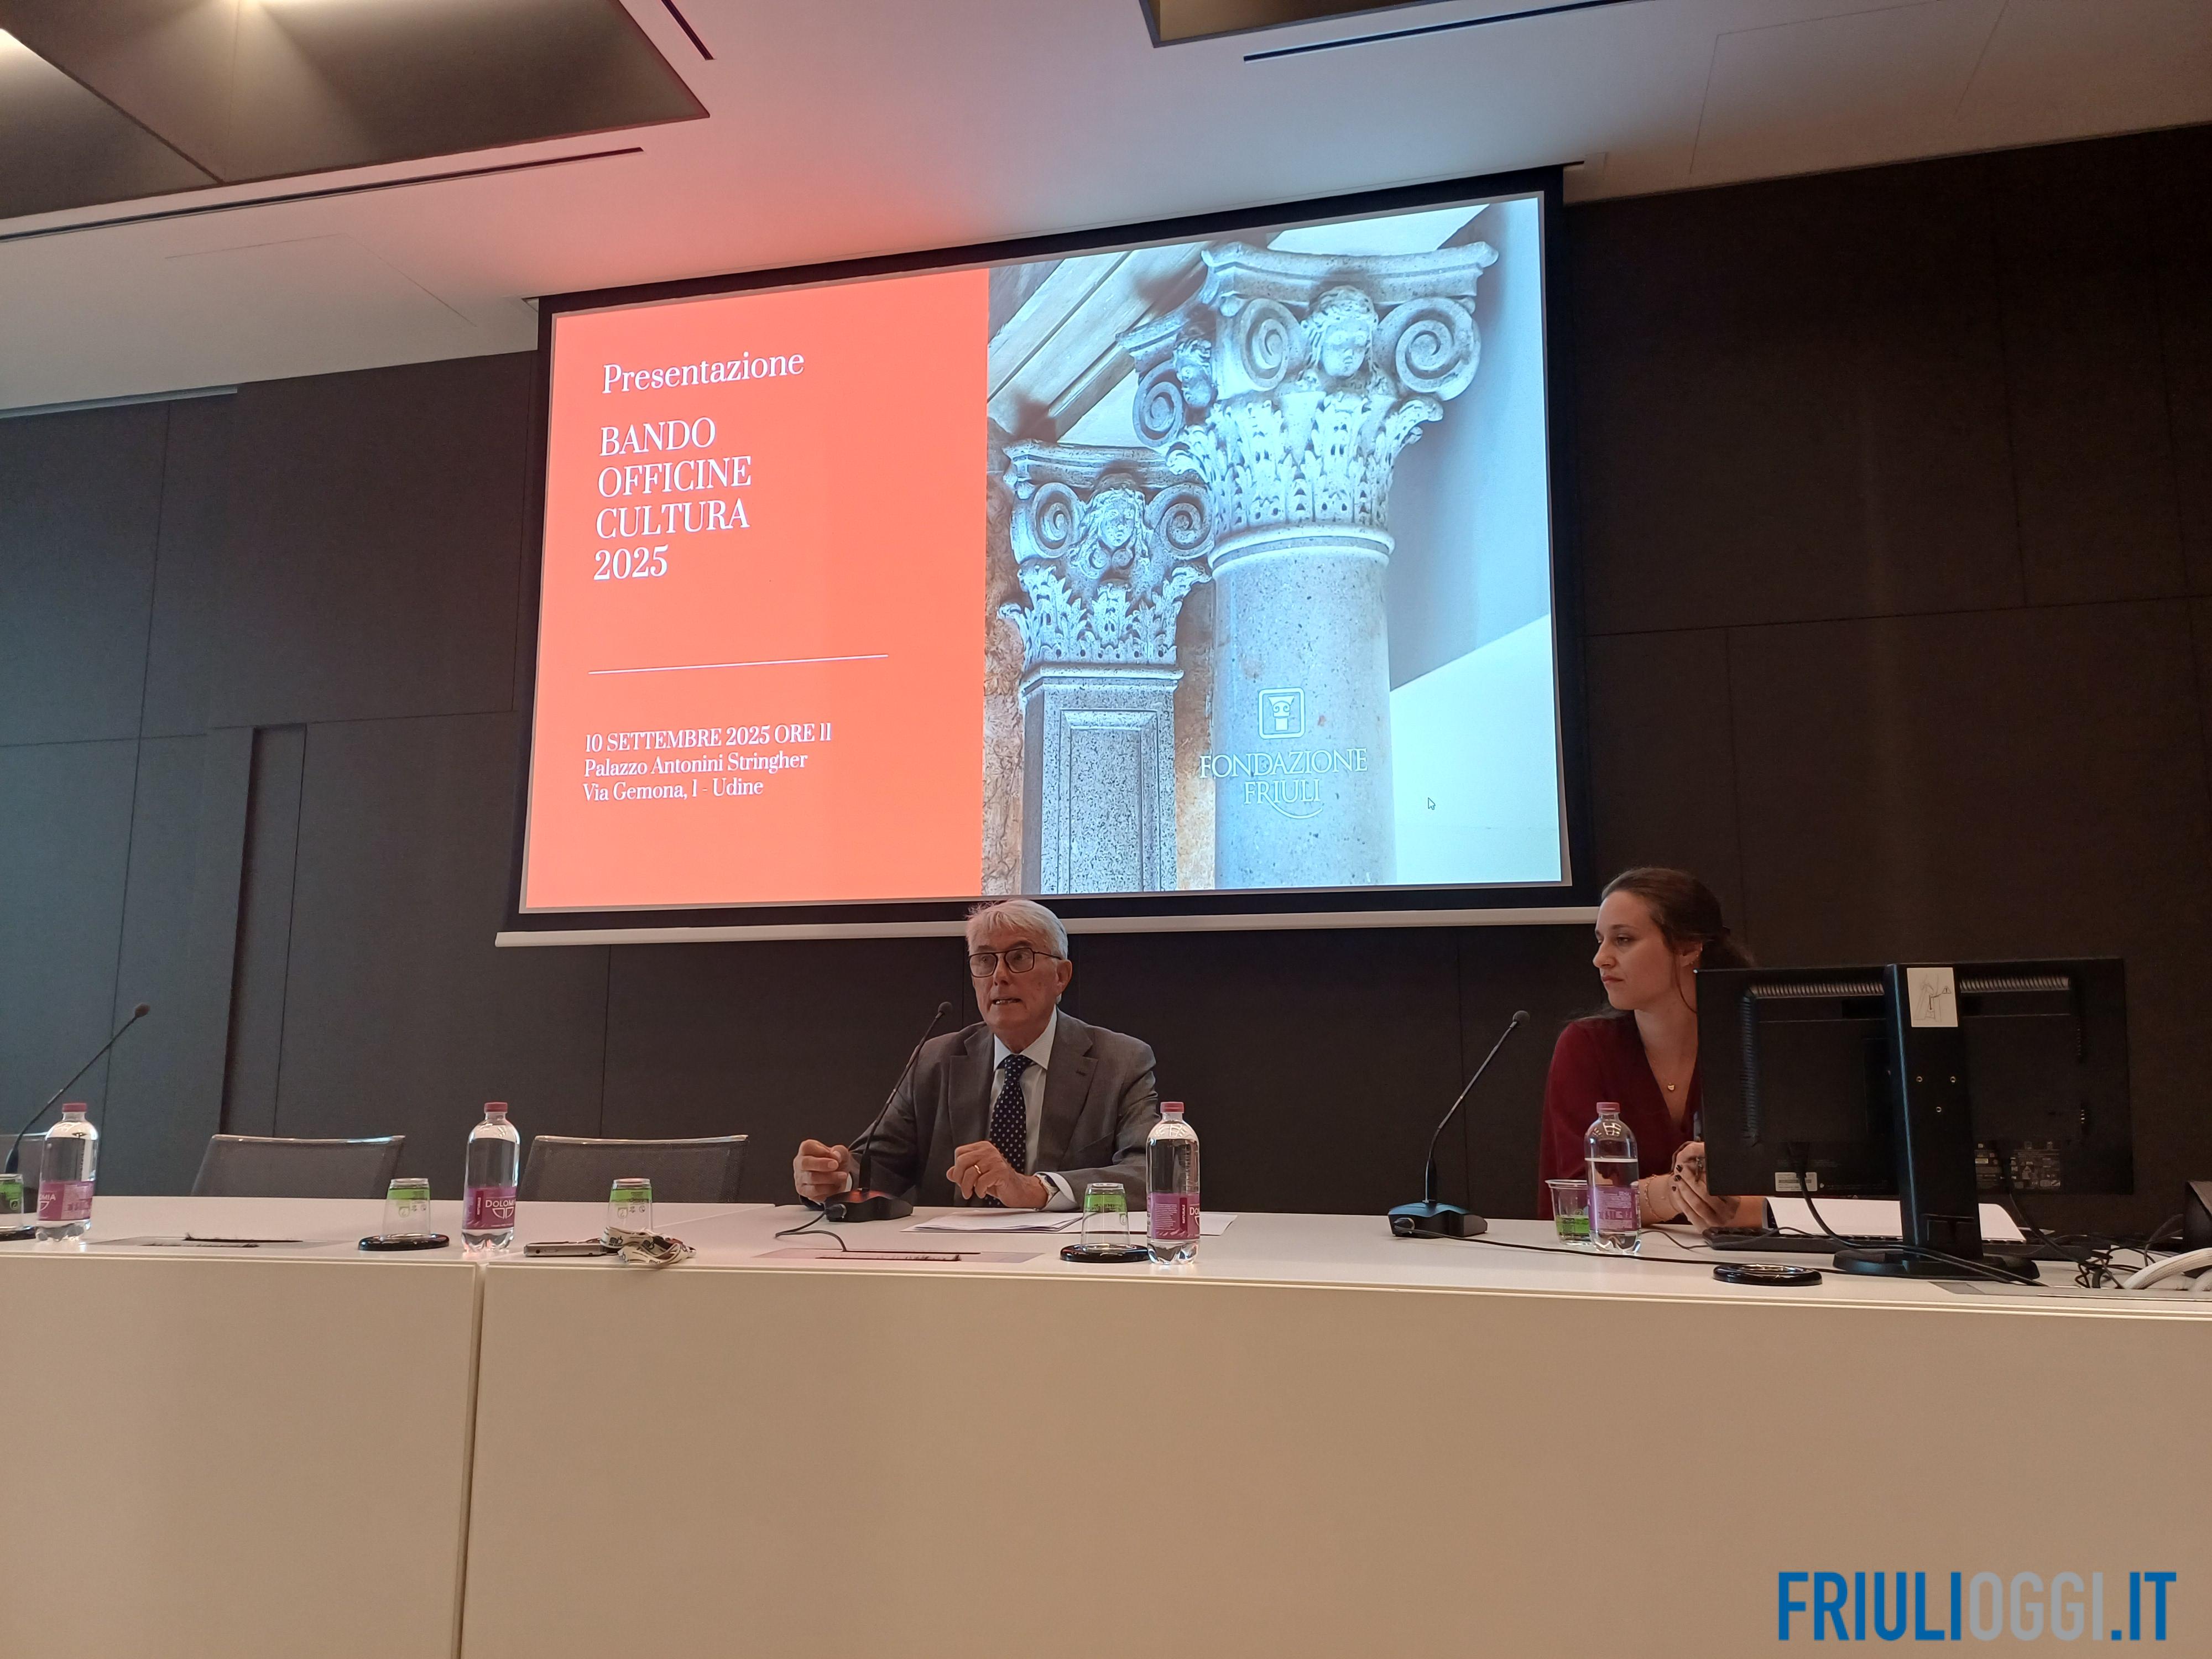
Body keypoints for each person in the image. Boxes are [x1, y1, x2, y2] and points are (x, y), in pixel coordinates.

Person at [791, 899, 1160, 1209]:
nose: (999, 976)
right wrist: (834, 1178)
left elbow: (1151, 1174)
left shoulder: (1120, 1062)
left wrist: (1036, 1189)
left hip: (1064, 1261)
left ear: (1061, 976)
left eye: (1019, 957)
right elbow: (879, 1167)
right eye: (985, 960)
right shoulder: (936, 1060)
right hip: (953, 1260)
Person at [1537, 868, 1766, 1230]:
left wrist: (1731, 1204)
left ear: (1689, 947)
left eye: (1623, 940)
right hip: (1617, 1260)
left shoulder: (1758, 1042)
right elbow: (1577, 1202)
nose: (1601, 958)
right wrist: (1675, 1191)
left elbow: (1821, 1195)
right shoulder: (1585, 1046)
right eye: (1600, 940)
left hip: (1752, 1259)